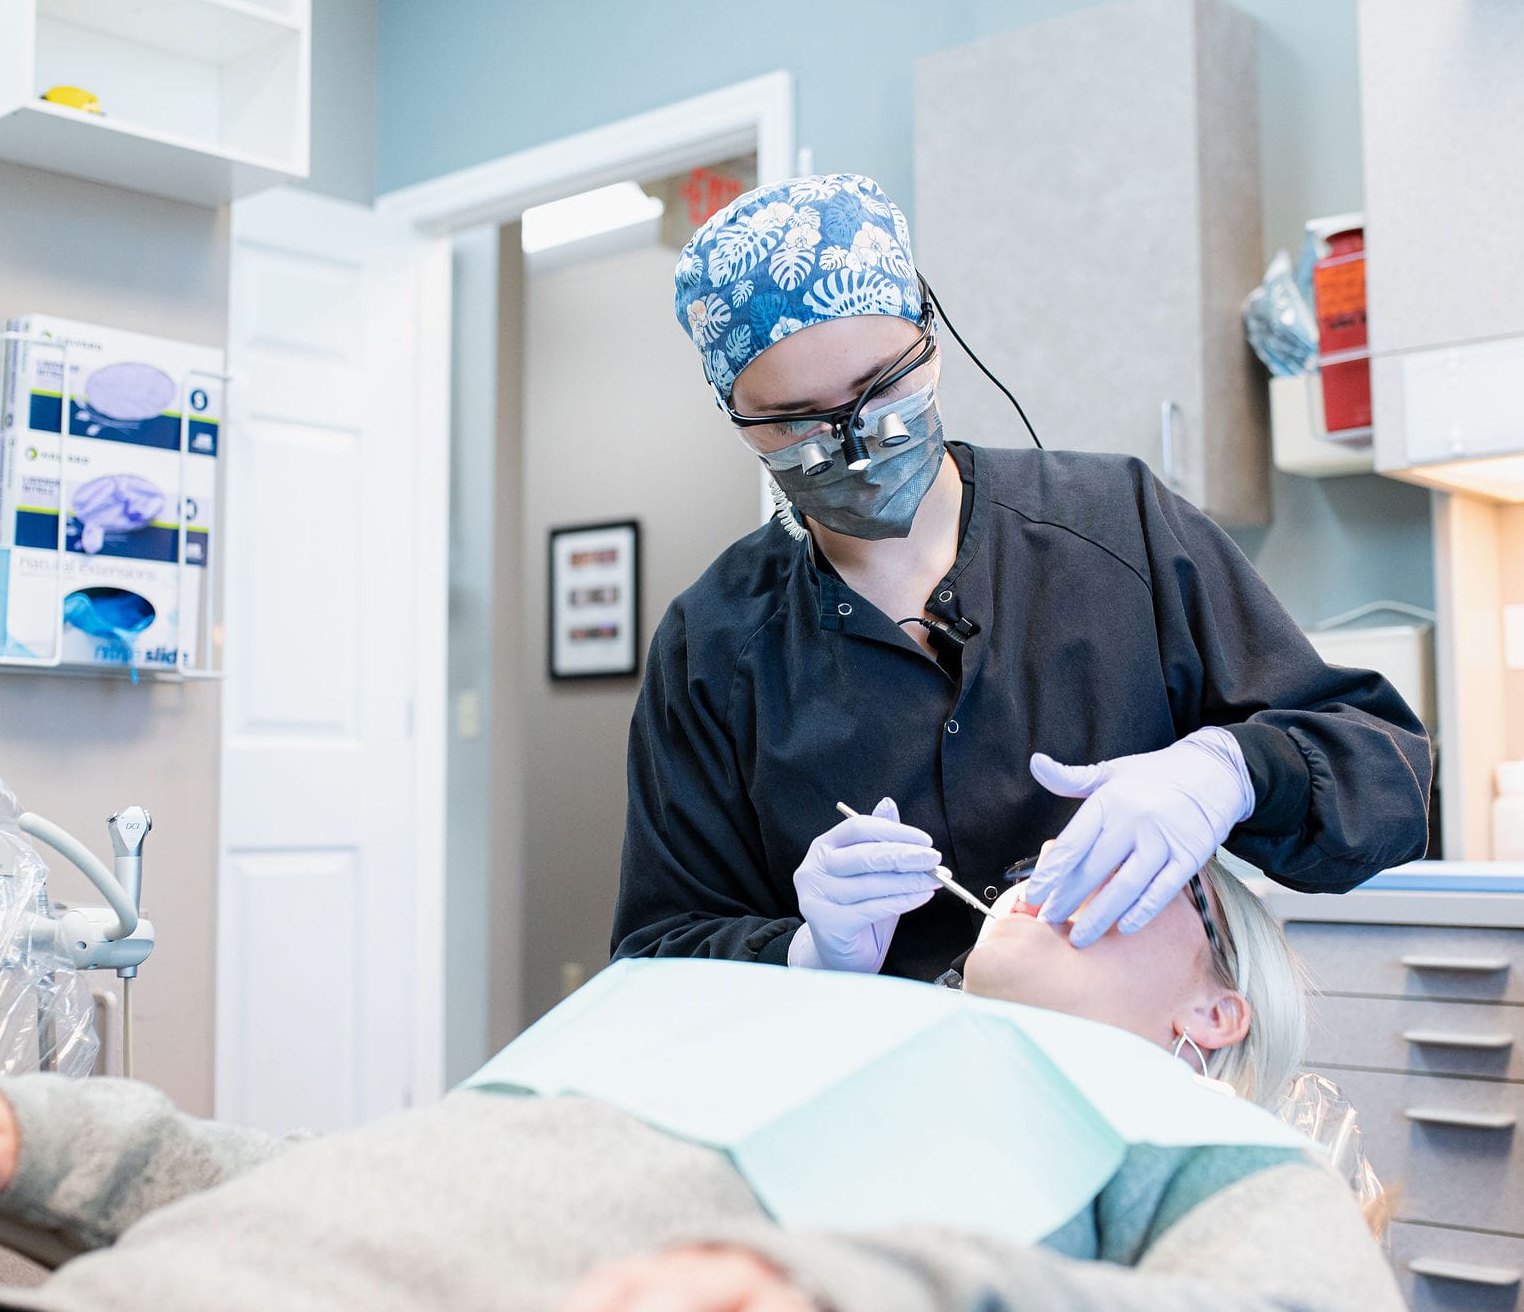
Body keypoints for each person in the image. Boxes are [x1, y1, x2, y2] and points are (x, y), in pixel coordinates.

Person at [0, 865, 1402, 1312]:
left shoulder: (1203, 1140)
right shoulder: (770, 1014)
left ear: (1213, 1012)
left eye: (1140, 871)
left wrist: (850, 1283)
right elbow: (391, 1184)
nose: (1055, 862)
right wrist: (71, 1136)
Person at [613, 172, 1432, 982]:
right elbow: (655, 958)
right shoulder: (713, 646)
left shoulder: (1117, 526)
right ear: (738, 418)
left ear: (931, 338)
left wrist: (1232, 771)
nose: (857, 442)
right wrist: (804, 954)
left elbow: (1384, 773)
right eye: (797, 422)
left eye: (881, 389)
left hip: (1131, 1077)